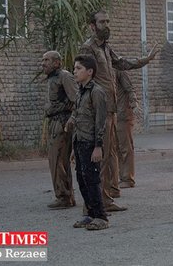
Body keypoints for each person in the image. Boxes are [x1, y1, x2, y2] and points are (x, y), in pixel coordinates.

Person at [80, 10, 159, 212]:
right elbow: (82, 79)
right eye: (101, 22)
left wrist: (146, 60)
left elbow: (122, 63)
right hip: (100, 109)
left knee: (110, 155)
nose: (106, 25)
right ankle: (96, 203)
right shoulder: (89, 48)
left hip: (112, 110)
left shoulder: (106, 48)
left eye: (107, 21)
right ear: (92, 26)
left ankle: (107, 197)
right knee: (101, 157)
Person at [66, 54, 108, 231]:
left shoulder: (96, 92)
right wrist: (74, 147)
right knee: (82, 179)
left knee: (92, 180)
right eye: (74, 68)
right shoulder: (80, 91)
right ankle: (89, 214)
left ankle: (101, 217)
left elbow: (100, 121)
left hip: (91, 143)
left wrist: (98, 146)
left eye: (78, 69)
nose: (74, 72)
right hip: (80, 141)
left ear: (89, 71)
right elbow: (78, 116)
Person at [41, 51, 78, 210]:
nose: (43, 63)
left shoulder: (65, 76)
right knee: (56, 161)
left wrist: (71, 119)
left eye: (47, 60)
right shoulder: (52, 78)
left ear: (57, 62)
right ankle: (65, 195)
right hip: (54, 122)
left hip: (62, 123)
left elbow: (77, 99)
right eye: (43, 60)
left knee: (58, 161)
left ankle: (64, 196)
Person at [115, 70, 137, 189]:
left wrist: (134, 104)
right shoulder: (105, 70)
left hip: (123, 115)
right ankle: (121, 177)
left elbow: (130, 89)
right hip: (114, 115)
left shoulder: (119, 70)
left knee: (125, 147)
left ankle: (128, 178)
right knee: (117, 148)